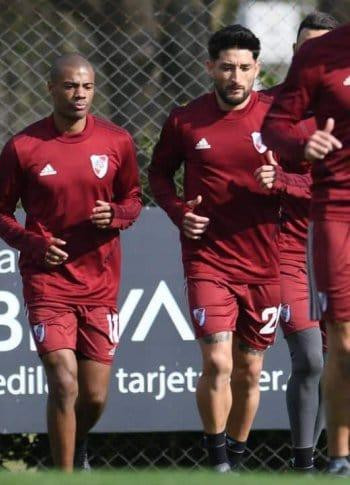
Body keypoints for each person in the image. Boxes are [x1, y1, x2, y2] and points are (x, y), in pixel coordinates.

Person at [0, 54, 142, 472]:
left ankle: (69, 448)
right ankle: (64, 473)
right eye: (71, 86)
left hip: (100, 284)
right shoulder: (24, 146)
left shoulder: (116, 141)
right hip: (48, 282)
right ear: (51, 89)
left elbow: (134, 200)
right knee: (63, 379)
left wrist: (118, 214)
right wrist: (32, 244)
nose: (80, 94)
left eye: (87, 87)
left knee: (93, 397)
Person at [148, 25, 280, 472]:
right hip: (208, 258)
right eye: (227, 67)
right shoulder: (186, 119)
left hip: (265, 261)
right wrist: (179, 211)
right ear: (210, 68)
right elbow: (159, 176)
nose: (236, 77)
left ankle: (237, 458)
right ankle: (217, 459)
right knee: (218, 360)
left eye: (245, 68)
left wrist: (283, 180)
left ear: (257, 69)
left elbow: (313, 178)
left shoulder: (280, 117)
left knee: (250, 370)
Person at [262, 19, 350, 478]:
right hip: (311, 230)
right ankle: (324, 458)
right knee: (329, 350)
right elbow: (271, 134)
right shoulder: (313, 61)